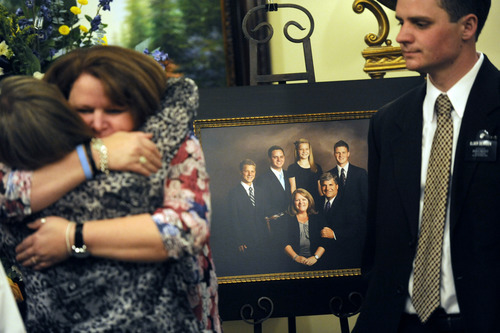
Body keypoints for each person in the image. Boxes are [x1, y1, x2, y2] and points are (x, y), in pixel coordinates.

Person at [0, 46, 221, 332]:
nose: (98, 123)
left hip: (177, 313)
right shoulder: (41, 141)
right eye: (83, 110)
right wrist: (94, 157)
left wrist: (72, 236)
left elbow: (186, 228)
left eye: (114, 111)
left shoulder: (175, 143)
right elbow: (6, 193)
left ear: (141, 107)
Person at [353, 1, 499, 332]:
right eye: (400, 22)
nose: (402, 36)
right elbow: (377, 239)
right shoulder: (388, 123)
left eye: (419, 24)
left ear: (467, 27)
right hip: (396, 322)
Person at [226, 159, 269, 274]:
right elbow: (233, 219)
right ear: (241, 172)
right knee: (249, 270)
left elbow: (264, 214)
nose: (250, 174)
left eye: (252, 171)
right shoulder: (234, 193)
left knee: (263, 269)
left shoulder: (261, 192)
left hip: (262, 239)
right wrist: (239, 241)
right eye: (246, 171)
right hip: (246, 241)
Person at [274, 188, 326, 272]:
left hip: (316, 260)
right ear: (293, 203)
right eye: (297, 200)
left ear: (309, 201)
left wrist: (315, 257)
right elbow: (284, 242)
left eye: (304, 199)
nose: (301, 202)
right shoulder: (286, 219)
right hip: (293, 261)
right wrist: (296, 257)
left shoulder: (318, 218)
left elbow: (324, 241)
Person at [327, 140, 368, 225]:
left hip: (357, 221)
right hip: (335, 222)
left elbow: (366, 199)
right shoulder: (328, 174)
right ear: (334, 154)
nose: (340, 155)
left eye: (343, 152)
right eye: (338, 153)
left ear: (348, 154)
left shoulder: (360, 173)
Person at [255, 145, 291, 223]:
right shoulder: (262, 179)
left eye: (281, 157)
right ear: (269, 159)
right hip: (275, 221)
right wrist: (278, 215)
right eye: (275, 157)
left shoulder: (289, 175)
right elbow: (263, 203)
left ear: (284, 157)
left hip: (292, 219)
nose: (279, 160)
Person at [287, 138, 323, 203]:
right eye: (301, 149)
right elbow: (293, 189)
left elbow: (320, 188)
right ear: (297, 151)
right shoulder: (292, 168)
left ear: (310, 151)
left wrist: (322, 201)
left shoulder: (317, 167)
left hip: (316, 201)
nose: (304, 151)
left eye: (306, 149)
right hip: (301, 202)